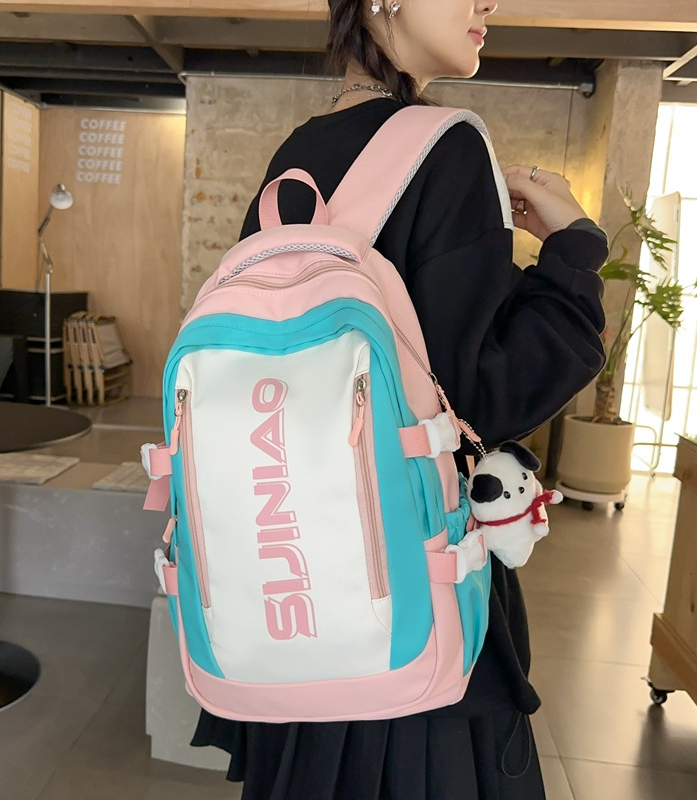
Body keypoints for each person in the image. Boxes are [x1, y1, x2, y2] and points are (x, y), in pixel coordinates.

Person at [191, 1, 608, 798]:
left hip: (297, 593)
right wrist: (574, 250)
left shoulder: (298, 155)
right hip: (407, 608)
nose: (489, 4)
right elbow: (480, 401)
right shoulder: (450, 147)